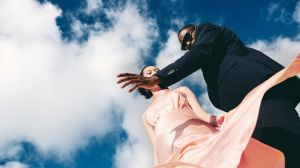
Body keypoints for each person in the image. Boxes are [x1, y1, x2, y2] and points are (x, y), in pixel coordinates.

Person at [117, 22, 300, 167]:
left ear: (196, 29)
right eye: (184, 44)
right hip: (243, 110)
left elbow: (198, 53)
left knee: (283, 143)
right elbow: (155, 143)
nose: (187, 44)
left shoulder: (207, 31)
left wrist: (160, 77)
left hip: (261, 94)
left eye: (188, 37)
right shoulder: (146, 115)